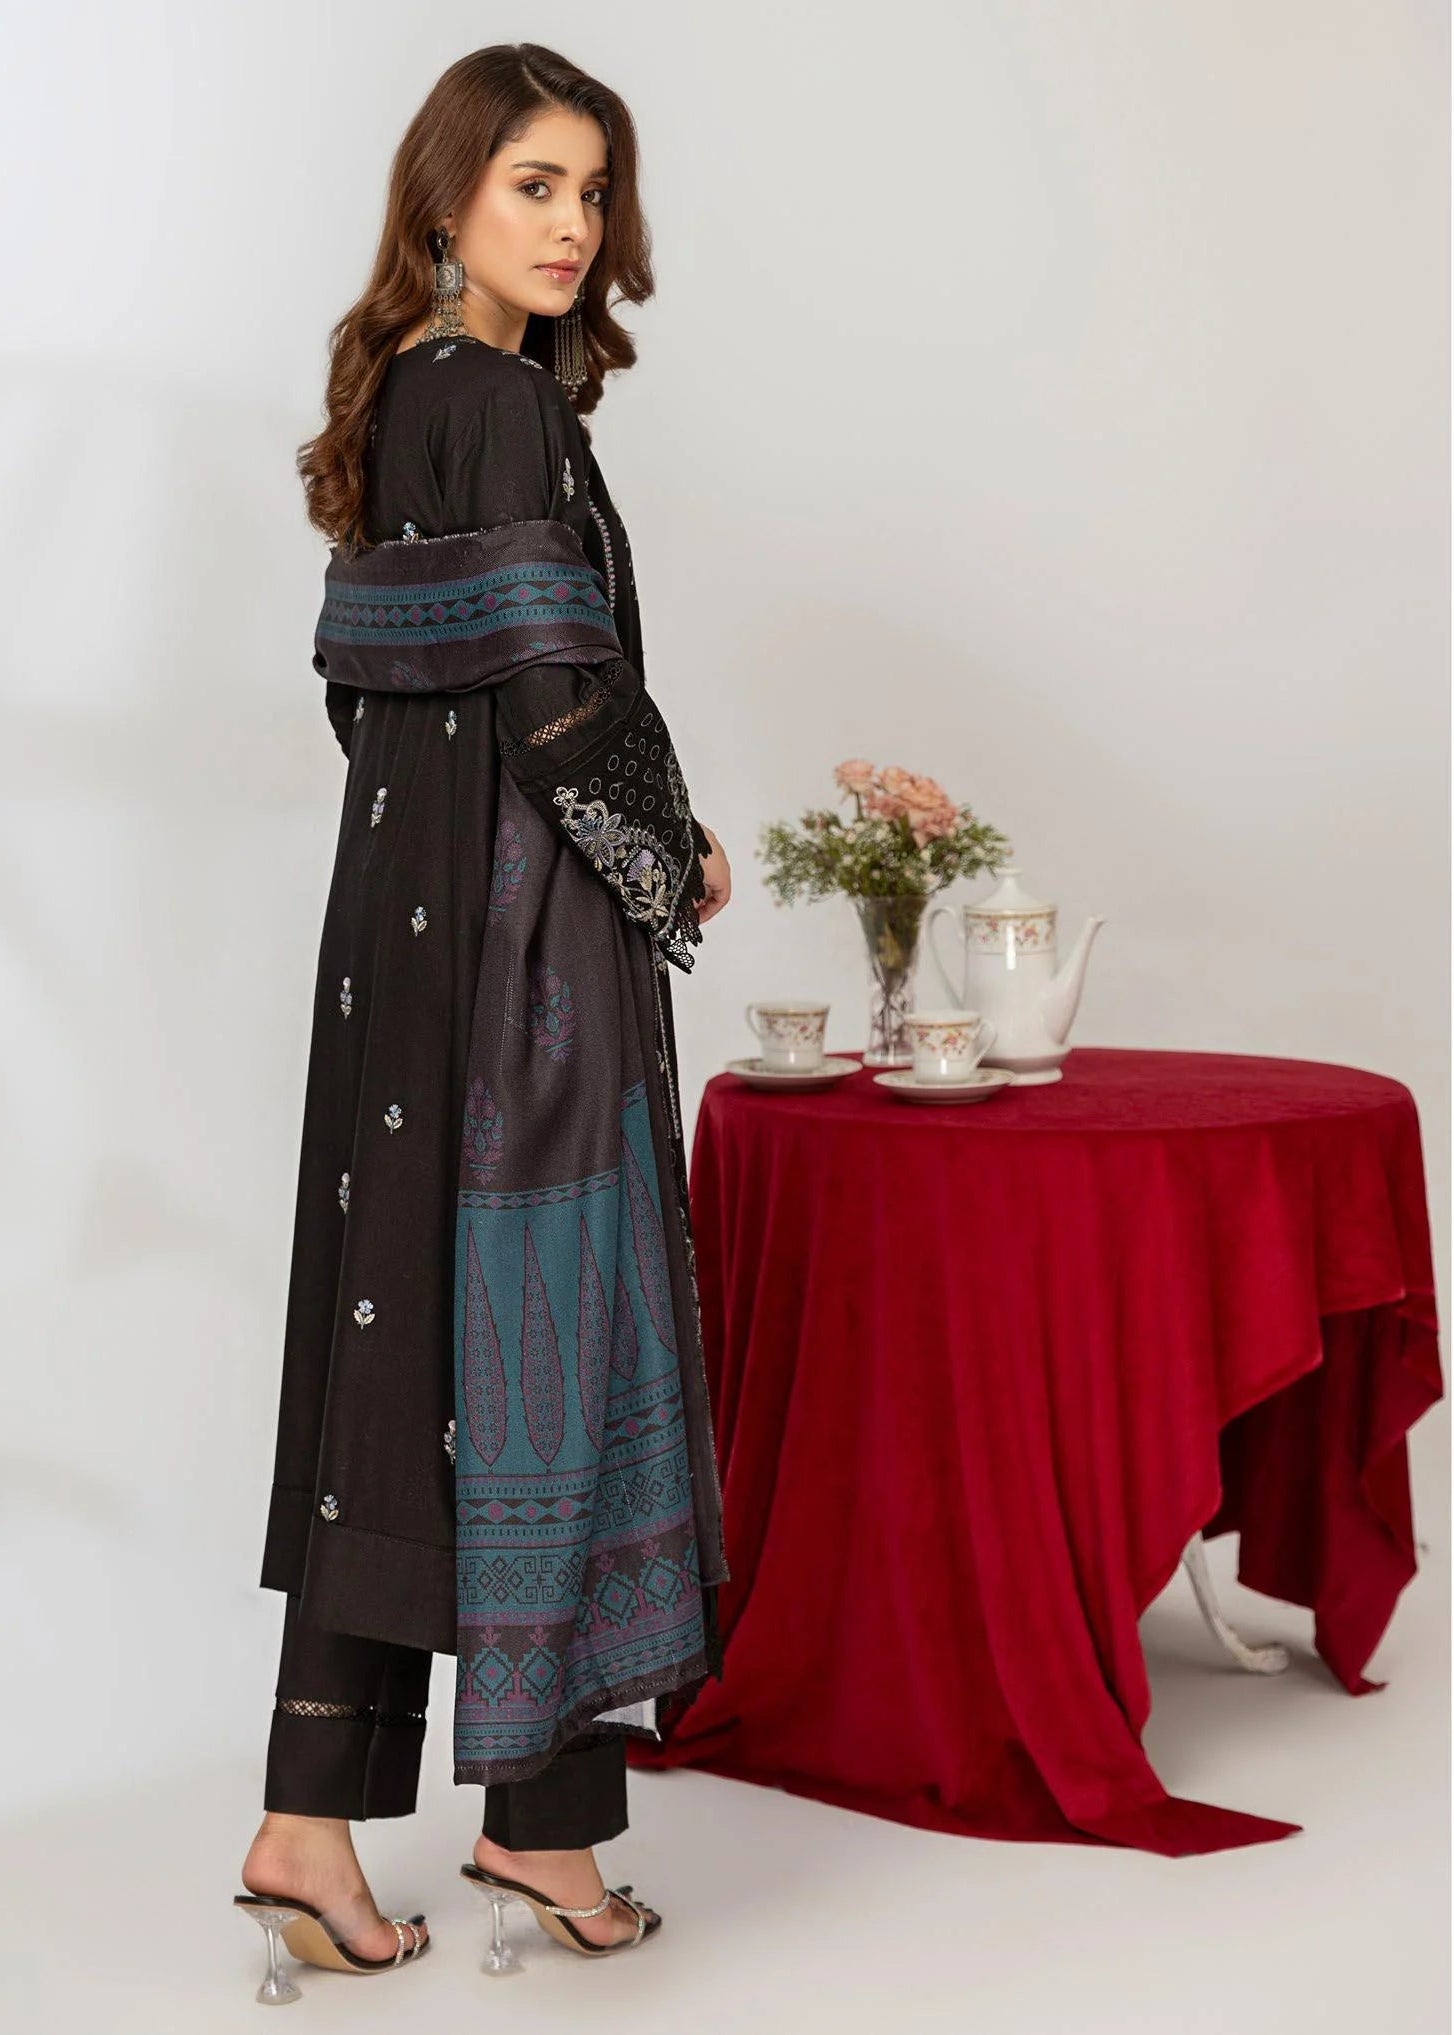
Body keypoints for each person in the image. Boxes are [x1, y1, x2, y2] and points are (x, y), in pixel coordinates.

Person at [233, 43, 733, 1999]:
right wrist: (665, 852)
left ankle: (321, 1819)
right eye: (533, 184)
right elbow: (551, 699)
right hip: (518, 962)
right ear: (443, 201)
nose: (570, 225)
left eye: (591, 192)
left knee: (402, 1362)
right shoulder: (505, 410)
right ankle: (531, 1817)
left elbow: (367, 691)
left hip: (401, 952)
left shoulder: (404, 403)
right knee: (544, 1342)